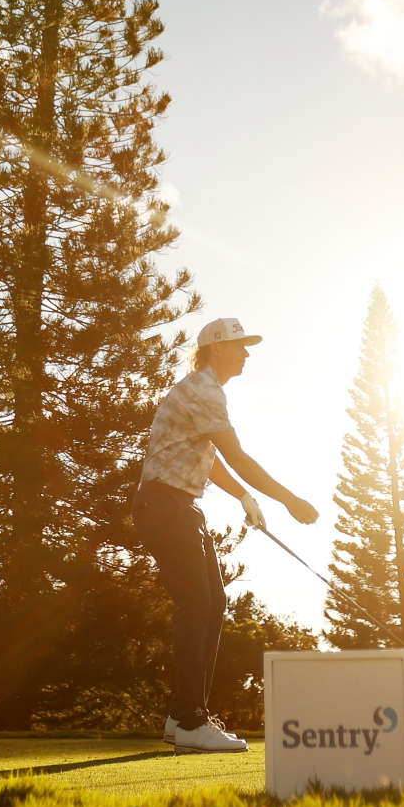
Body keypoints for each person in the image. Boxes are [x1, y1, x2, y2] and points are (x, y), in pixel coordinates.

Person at [132, 316, 319, 754]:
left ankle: (181, 717)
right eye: (240, 345)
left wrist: (244, 498)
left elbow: (213, 461)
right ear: (217, 349)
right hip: (166, 506)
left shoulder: (202, 392)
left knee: (213, 602)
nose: (247, 353)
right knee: (197, 603)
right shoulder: (204, 389)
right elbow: (236, 454)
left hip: (177, 507)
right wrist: (288, 499)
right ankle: (194, 720)